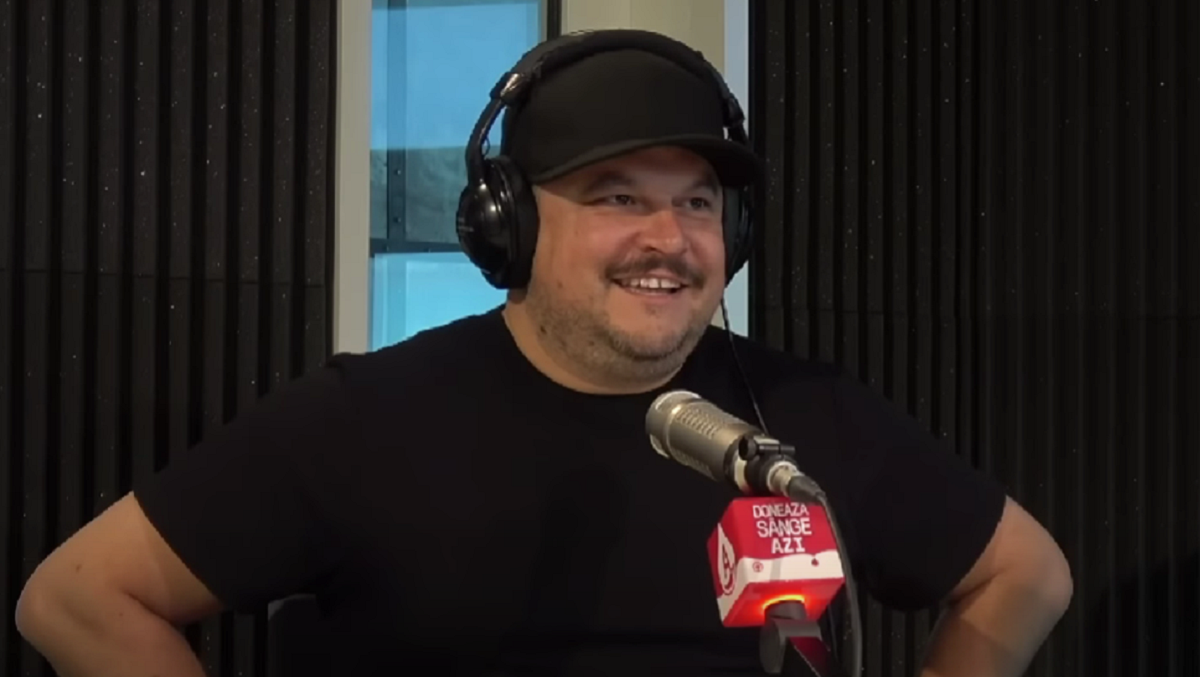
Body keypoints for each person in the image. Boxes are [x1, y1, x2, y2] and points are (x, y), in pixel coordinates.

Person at [15, 29, 1071, 677]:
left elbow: (1025, 572)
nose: (669, 239)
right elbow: (76, 598)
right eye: (617, 198)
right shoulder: (366, 419)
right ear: (508, 225)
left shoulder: (807, 413)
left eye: (698, 203)